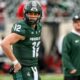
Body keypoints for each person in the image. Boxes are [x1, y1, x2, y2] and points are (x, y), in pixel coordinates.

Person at [1, 1, 42, 80]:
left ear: (40, 14)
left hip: (33, 67)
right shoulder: (22, 28)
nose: (33, 16)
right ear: (25, 14)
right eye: (30, 13)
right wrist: (15, 62)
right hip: (23, 68)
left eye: (35, 13)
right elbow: (4, 43)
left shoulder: (39, 27)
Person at [62, 13, 80, 80]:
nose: (78, 24)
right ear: (73, 23)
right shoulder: (68, 37)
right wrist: (70, 68)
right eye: (76, 22)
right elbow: (65, 54)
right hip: (72, 74)